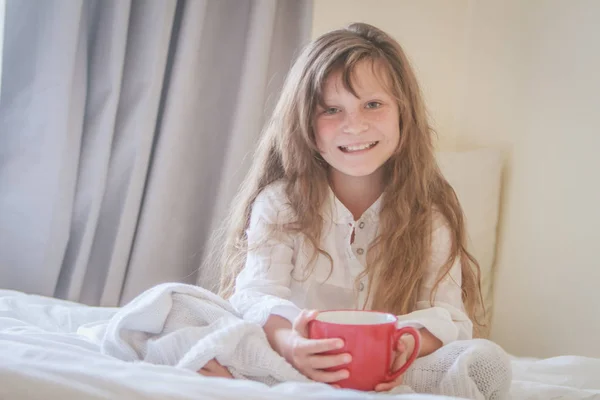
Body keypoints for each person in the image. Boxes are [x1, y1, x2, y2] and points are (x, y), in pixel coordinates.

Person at [202, 22, 485, 392]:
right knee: (175, 306)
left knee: (484, 362)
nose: (355, 125)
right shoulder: (281, 203)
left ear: (404, 114)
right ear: (304, 123)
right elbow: (256, 295)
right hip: (290, 358)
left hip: (390, 370)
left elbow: (448, 316)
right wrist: (293, 346)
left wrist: (406, 346)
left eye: (373, 104)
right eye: (332, 109)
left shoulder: (428, 214)